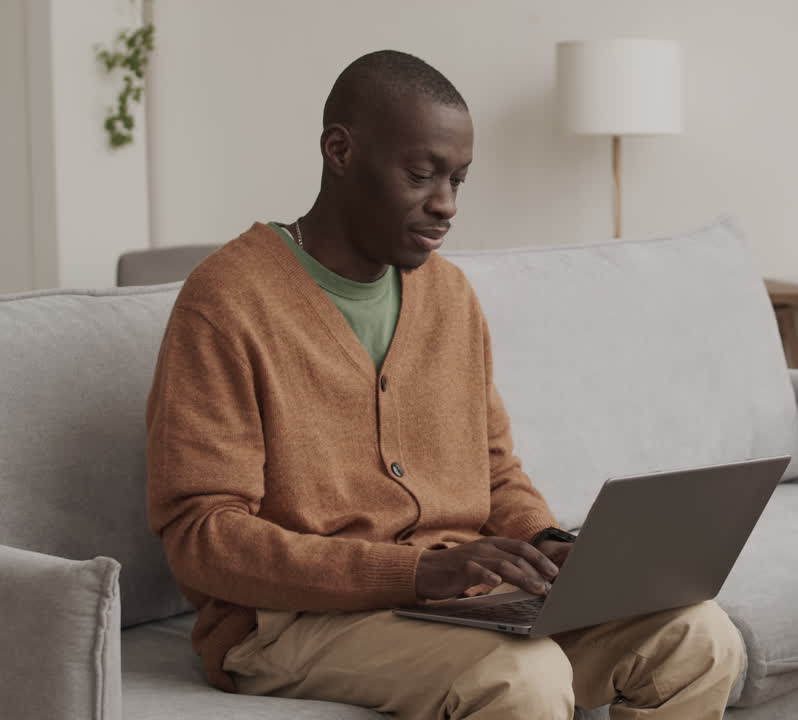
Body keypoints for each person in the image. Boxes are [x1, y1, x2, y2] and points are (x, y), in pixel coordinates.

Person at [145, 49, 745, 719]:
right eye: (421, 175)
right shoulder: (228, 300)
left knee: (698, 636)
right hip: (290, 622)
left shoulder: (449, 295)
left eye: (458, 179)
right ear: (339, 151)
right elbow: (202, 536)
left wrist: (546, 544)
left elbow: (495, 472)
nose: (446, 205)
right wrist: (417, 572)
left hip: (460, 604)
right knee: (522, 678)